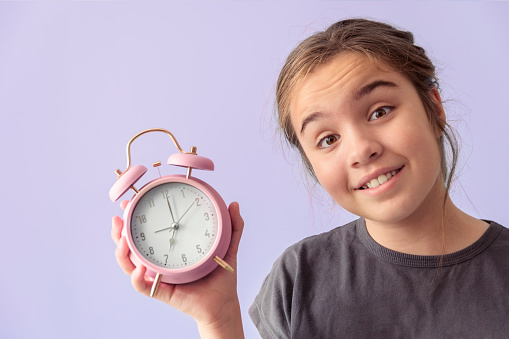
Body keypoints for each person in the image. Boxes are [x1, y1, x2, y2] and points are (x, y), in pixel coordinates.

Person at [111, 18, 509, 338]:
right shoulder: (299, 279)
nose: (360, 150)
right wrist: (218, 320)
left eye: (380, 111)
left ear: (434, 109)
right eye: (328, 139)